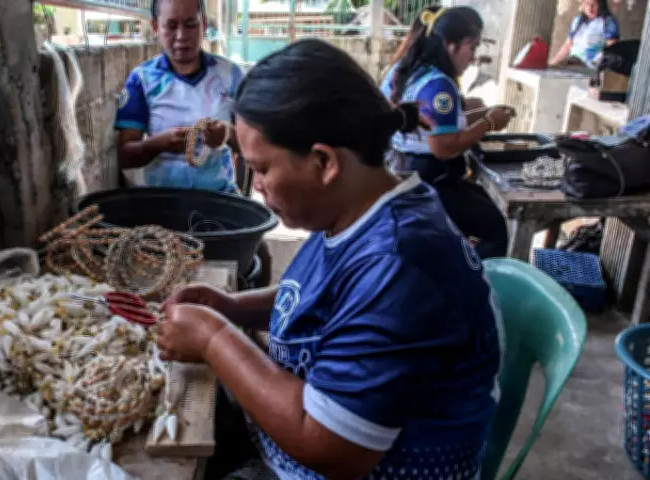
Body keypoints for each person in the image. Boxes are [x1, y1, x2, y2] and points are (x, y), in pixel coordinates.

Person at [158, 38, 504, 480]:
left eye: (261, 169)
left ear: (323, 162)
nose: (257, 185)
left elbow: (327, 443)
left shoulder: (400, 263)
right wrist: (233, 307)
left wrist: (212, 338)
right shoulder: (357, 211)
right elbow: (326, 298)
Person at [380, 6, 513, 260]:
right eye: (471, 48)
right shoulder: (439, 85)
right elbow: (443, 146)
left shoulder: (415, 72)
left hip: (406, 170)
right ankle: (473, 284)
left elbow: (446, 124)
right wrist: (487, 122)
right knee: (495, 229)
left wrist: (485, 116)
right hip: (431, 179)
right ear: (451, 46)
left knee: (482, 205)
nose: (473, 58)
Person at [114, 0, 243, 193]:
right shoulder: (142, 80)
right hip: (164, 203)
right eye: (171, 25)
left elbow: (258, 144)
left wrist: (228, 134)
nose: (182, 36)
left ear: (204, 24)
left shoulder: (231, 75)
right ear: (155, 26)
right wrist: (157, 145)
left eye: (191, 24)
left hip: (221, 199)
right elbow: (125, 156)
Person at [549, 0, 619, 69]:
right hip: (573, 61)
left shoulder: (607, 21)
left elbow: (612, 49)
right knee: (554, 70)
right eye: (587, 3)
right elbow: (567, 45)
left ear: (601, 4)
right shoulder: (577, 21)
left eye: (594, 4)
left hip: (590, 65)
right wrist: (553, 63)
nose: (590, 7)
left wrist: (597, 65)